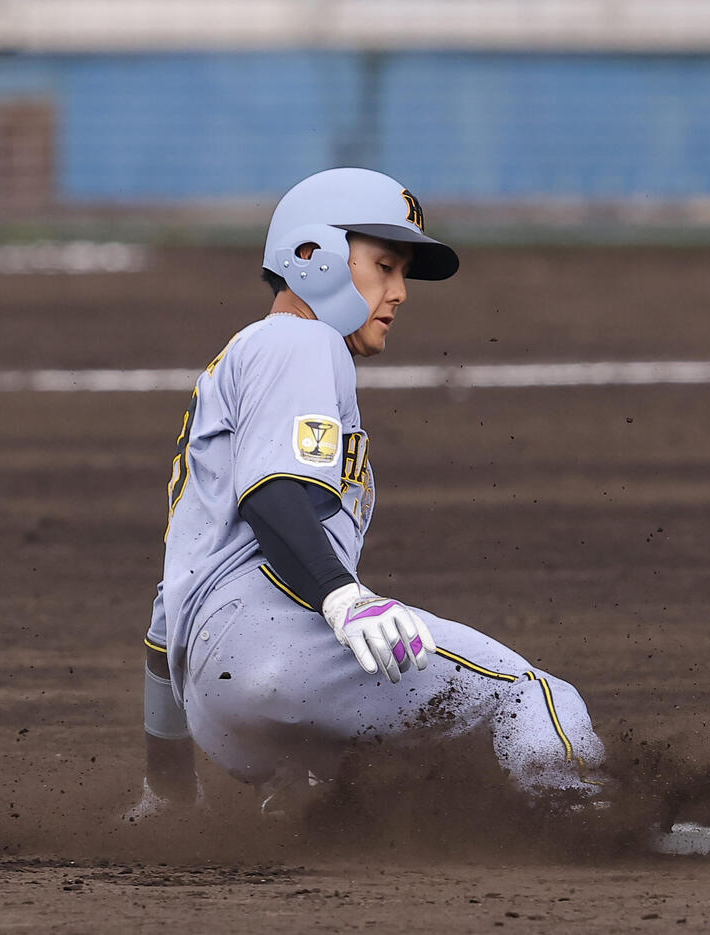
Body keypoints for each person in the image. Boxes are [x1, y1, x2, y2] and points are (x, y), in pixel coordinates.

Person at [126, 168, 605, 822]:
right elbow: (276, 496)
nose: (400, 293)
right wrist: (342, 596)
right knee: (527, 695)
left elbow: (163, 621)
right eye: (385, 266)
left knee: (404, 775)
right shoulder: (299, 340)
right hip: (275, 642)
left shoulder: (237, 372)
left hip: (216, 708)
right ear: (312, 258)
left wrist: (169, 788)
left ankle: (308, 795)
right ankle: (590, 814)